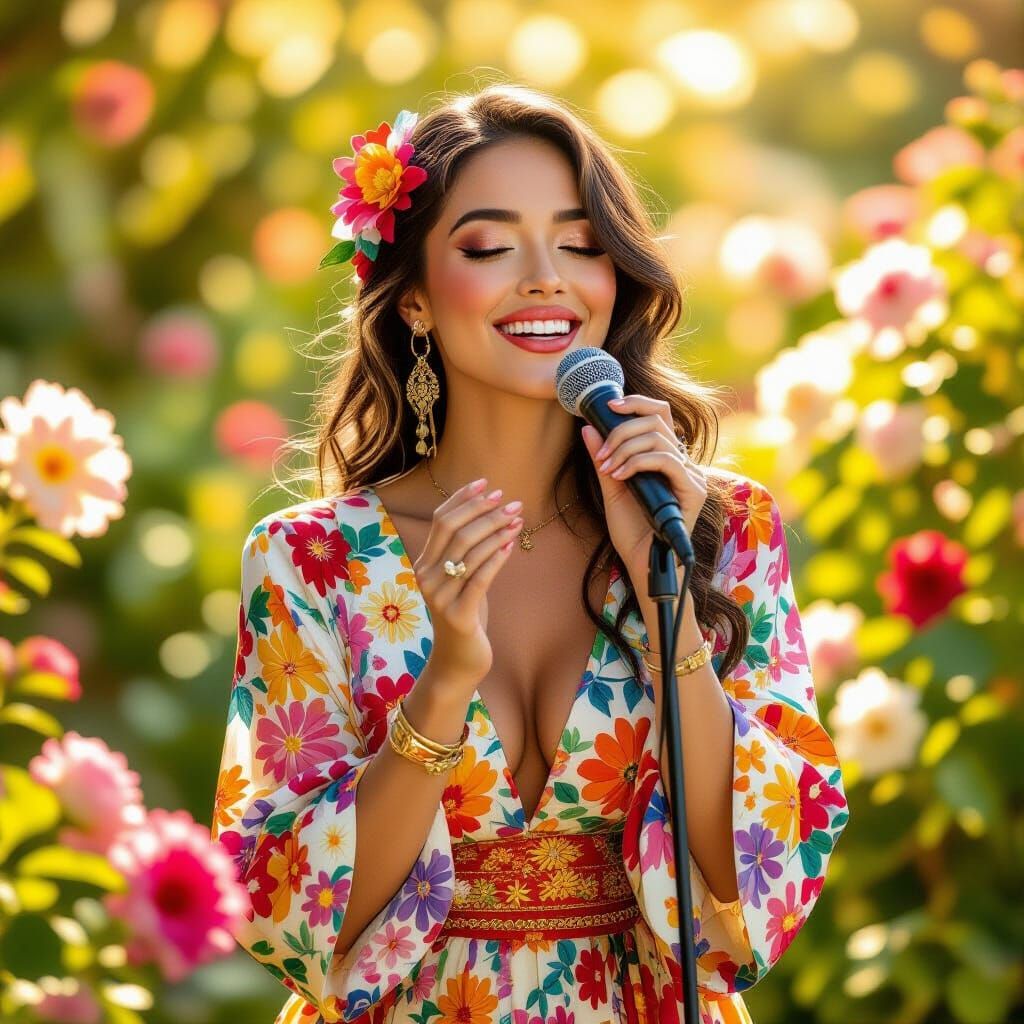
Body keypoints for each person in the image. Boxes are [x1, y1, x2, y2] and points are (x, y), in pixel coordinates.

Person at [211, 84, 849, 1024]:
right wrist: (443, 682)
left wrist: (664, 596)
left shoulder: (715, 527)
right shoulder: (311, 561)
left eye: (583, 243)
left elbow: (748, 870)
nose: (548, 277)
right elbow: (293, 914)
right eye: (489, 245)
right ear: (417, 298)